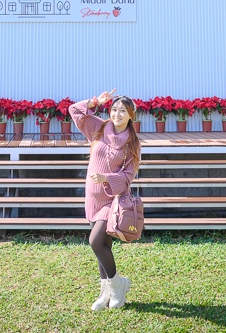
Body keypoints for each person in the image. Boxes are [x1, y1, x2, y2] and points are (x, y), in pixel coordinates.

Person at [69, 89, 140, 311]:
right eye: (114, 109)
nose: (117, 114)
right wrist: (95, 102)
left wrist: (106, 178)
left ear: (131, 115)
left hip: (112, 199)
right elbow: (74, 111)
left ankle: (118, 284)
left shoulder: (132, 144)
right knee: (103, 246)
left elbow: (128, 176)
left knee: (95, 241)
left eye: (123, 111)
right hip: (92, 196)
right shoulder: (99, 128)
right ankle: (106, 291)